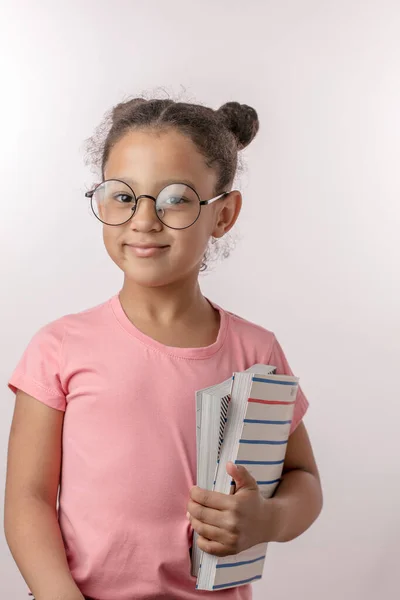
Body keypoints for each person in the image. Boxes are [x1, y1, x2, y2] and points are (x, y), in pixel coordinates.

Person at [4, 97, 323, 600]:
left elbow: (302, 478)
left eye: (175, 198)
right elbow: (27, 500)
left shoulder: (255, 351)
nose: (144, 220)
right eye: (122, 195)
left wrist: (270, 519)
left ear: (223, 214)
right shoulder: (59, 348)